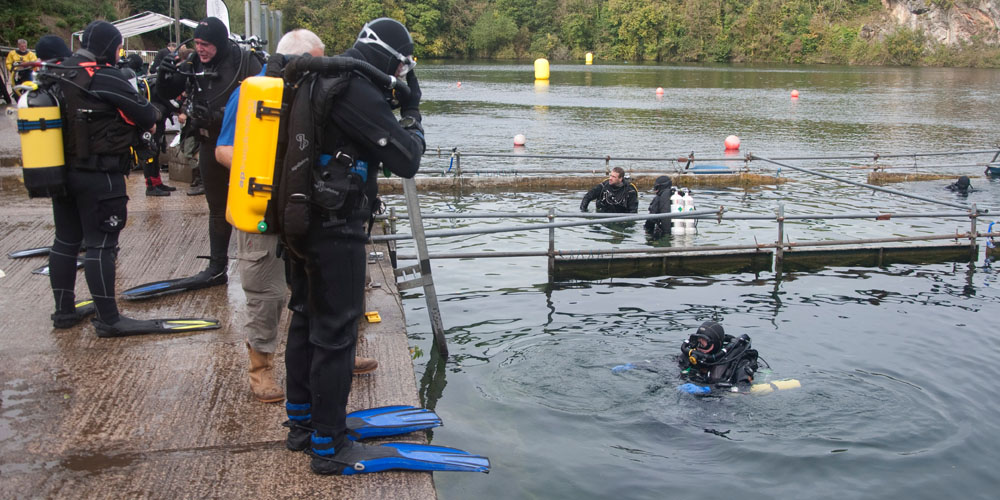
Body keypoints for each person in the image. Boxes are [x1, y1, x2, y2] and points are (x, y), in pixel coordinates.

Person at [275, 18, 427, 475]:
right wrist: (413, 112)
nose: (403, 75)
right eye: (404, 66)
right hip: (334, 227)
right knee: (337, 335)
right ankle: (329, 443)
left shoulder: (322, 76)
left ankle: (301, 425)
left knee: (304, 320)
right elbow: (407, 158)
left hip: (298, 219)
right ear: (391, 58)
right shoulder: (355, 89)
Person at [213, 29, 378, 404]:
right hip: (263, 207)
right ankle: (261, 369)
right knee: (265, 291)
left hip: (305, 206)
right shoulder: (252, 94)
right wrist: (263, 168)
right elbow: (223, 150)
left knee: (326, 283)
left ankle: (338, 352)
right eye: (316, 59)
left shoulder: (317, 93)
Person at [45, 21, 165, 335]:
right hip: (100, 176)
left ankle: (64, 312)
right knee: (101, 245)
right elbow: (149, 117)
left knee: (66, 240)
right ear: (109, 47)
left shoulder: (57, 73)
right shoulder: (106, 77)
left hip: (59, 173)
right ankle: (109, 319)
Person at [156, 17, 263, 289]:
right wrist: (163, 73)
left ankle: (268, 264)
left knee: (259, 205)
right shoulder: (193, 62)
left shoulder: (243, 62)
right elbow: (167, 91)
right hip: (208, 143)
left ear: (220, 42)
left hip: (242, 145)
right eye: (197, 43)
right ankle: (217, 269)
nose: (200, 49)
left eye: (206, 44)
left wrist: (224, 115)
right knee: (217, 208)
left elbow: (266, 98)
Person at [678, 321, 758, 388]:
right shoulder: (690, 356)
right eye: (697, 342)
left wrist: (709, 390)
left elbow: (744, 390)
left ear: (716, 345)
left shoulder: (737, 364)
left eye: (703, 344)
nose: (699, 348)